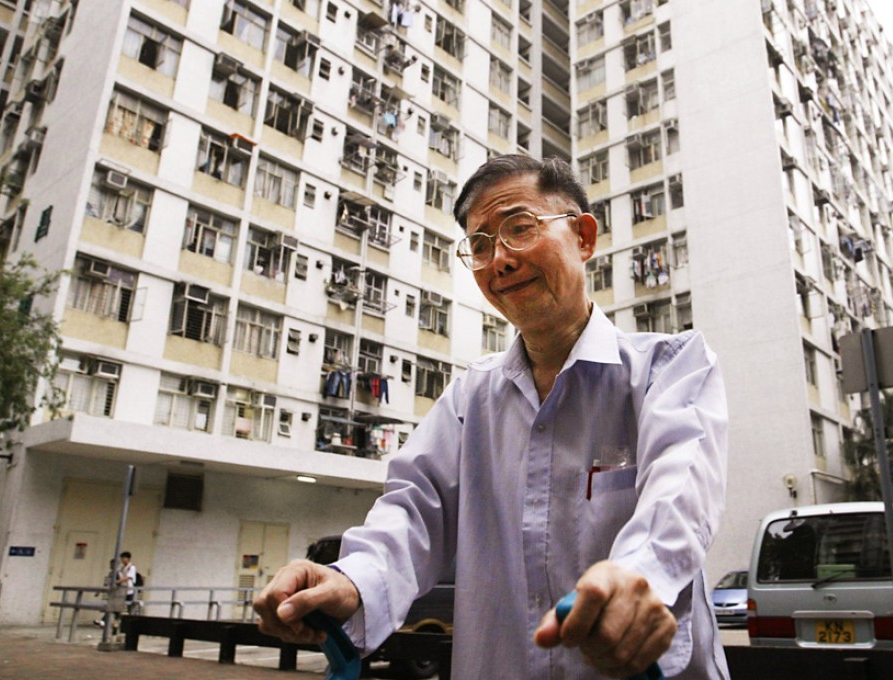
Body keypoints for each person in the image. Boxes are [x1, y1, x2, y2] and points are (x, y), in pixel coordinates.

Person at [255, 155, 730, 678]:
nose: (499, 259)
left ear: (585, 237)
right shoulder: (469, 400)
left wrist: (642, 575)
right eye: (479, 246)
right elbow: (411, 511)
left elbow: (681, 491)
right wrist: (349, 581)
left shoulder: (670, 367)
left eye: (519, 229)